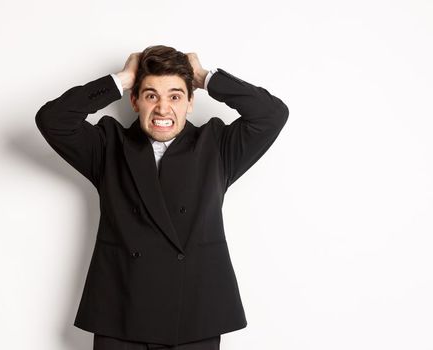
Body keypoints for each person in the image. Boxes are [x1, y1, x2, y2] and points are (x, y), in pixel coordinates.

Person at [35, 45, 289, 350]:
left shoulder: (218, 146)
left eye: (175, 96)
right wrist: (121, 79)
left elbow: (273, 114)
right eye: (151, 95)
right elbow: (52, 119)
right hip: (121, 313)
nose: (163, 108)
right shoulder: (107, 146)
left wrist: (206, 77)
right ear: (135, 100)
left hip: (193, 314)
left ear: (190, 102)